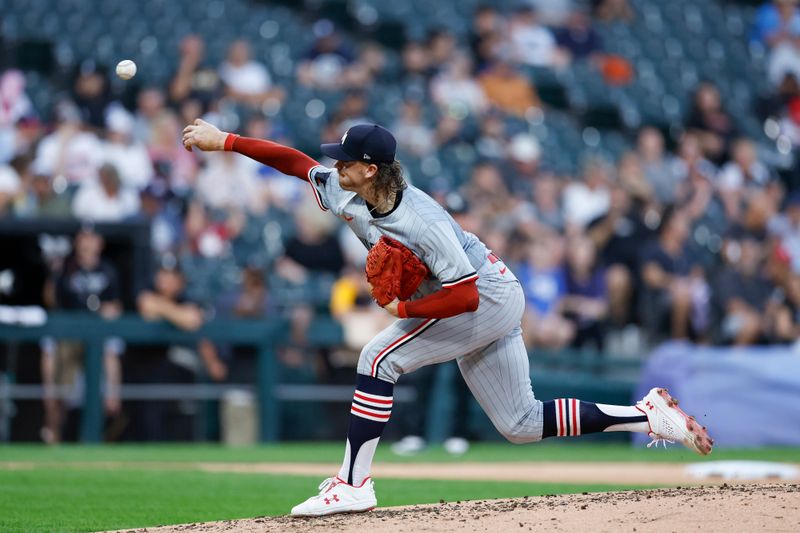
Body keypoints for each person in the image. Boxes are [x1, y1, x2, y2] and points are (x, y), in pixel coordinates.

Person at [182, 118, 713, 517]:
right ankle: (648, 415)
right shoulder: (349, 190)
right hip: (488, 294)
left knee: (378, 356)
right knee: (520, 423)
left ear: (370, 169)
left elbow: (464, 298)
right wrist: (226, 140)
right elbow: (295, 162)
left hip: (484, 294)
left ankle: (353, 484)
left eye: (344, 160)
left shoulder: (422, 221)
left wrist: (403, 309)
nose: (334, 165)